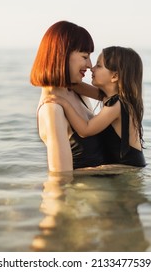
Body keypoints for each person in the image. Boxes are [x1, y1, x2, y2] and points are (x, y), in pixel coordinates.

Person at [44, 46, 146, 167]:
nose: (92, 68)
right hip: (125, 166)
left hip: (128, 169)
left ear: (114, 76)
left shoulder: (117, 105)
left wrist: (65, 104)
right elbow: (77, 86)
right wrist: (59, 72)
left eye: (98, 66)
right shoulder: (112, 97)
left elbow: (85, 130)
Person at [30, 21, 104, 172]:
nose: (90, 64)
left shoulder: (76, 91)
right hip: (88, 193)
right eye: (85, 56)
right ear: (62, 55)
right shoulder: (52, 109)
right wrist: (118, 169)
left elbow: (118, 98)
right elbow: (60, 177)